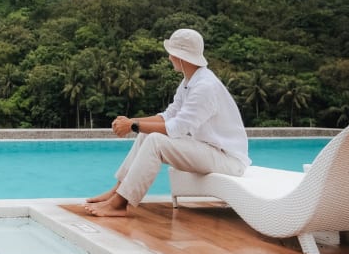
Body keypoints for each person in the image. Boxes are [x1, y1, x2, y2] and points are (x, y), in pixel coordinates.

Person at [83, 28, 249, 218]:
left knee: (155, 141)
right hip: (208, 150)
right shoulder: (190, 81)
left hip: (226, 159)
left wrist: (132, 126)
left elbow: (177, 128)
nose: (169, 57)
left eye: (172, 53)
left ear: (181, 56)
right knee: (147, 133)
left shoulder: (205, 87)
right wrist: (132, 122)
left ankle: (120, 203)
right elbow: (168, 116)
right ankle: (117, 191)